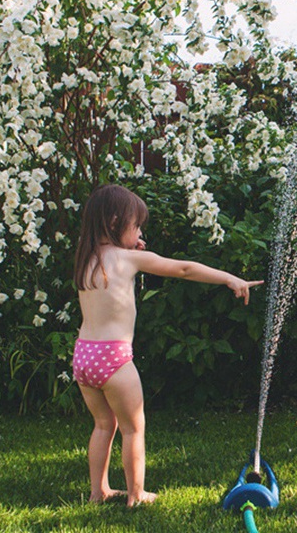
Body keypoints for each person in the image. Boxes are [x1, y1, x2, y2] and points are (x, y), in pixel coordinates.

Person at [72, 184, 263, 507]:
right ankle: (136, 494)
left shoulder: (87, 259)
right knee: (134, 428)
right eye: (137, 226)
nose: (140, 232)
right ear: (117, 222)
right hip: (114, 358)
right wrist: (229, 278)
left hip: (84, 355)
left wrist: (132, 248)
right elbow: (183, 269)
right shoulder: (128, 258)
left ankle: (98, 492)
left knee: (104, 424)